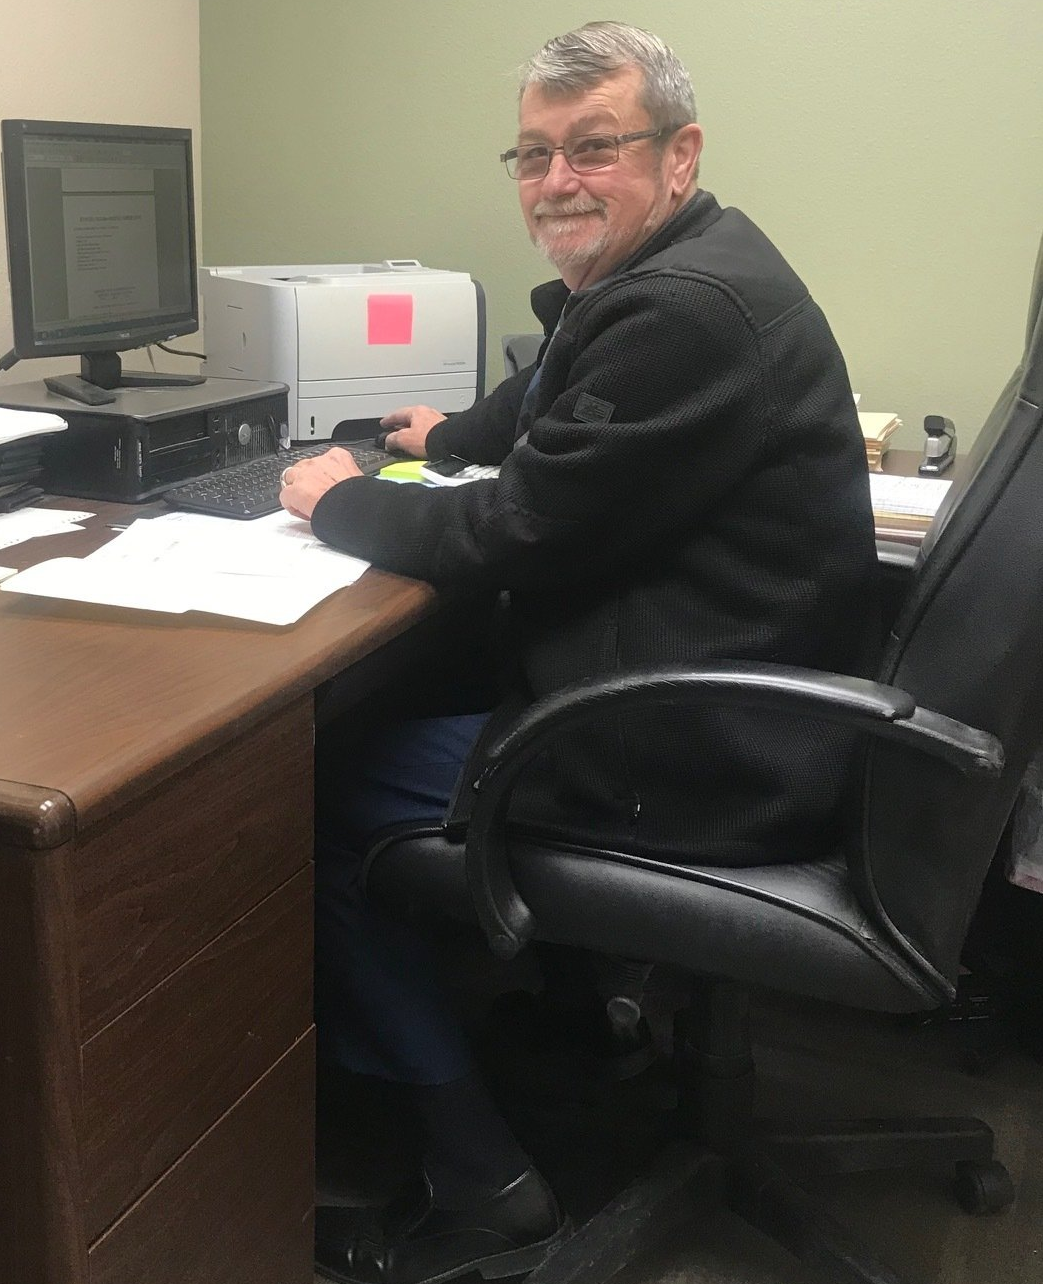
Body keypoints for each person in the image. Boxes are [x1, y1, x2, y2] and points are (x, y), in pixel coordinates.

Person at [286, 21, 881, 1284]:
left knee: (328, 788)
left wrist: (334, 497)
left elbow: (518, 525)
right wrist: (448, 430)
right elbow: (564, 404)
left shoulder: (686, 311)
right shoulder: (686, 267)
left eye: (593, 148)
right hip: (749, 705)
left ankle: (474, 1170)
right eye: (532, 154)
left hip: (700, 754)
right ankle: (575, 1020)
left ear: (677, 155)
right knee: (425, 689)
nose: (556, 179)